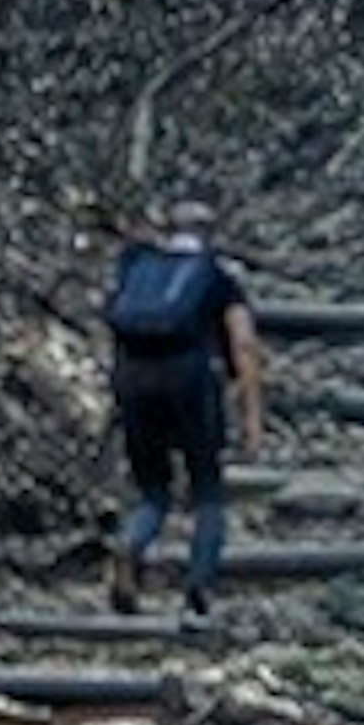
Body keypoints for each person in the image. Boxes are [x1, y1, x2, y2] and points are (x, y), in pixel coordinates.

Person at [100, 191, 266, 618]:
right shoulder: (217, 277)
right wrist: (251, 419)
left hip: (133, 378)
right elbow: (244, 346)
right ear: (210, 235)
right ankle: (199, 587)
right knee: (208, 490)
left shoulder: (139, 265)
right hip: (190, 380)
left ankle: (130, 544)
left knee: (154, 488)